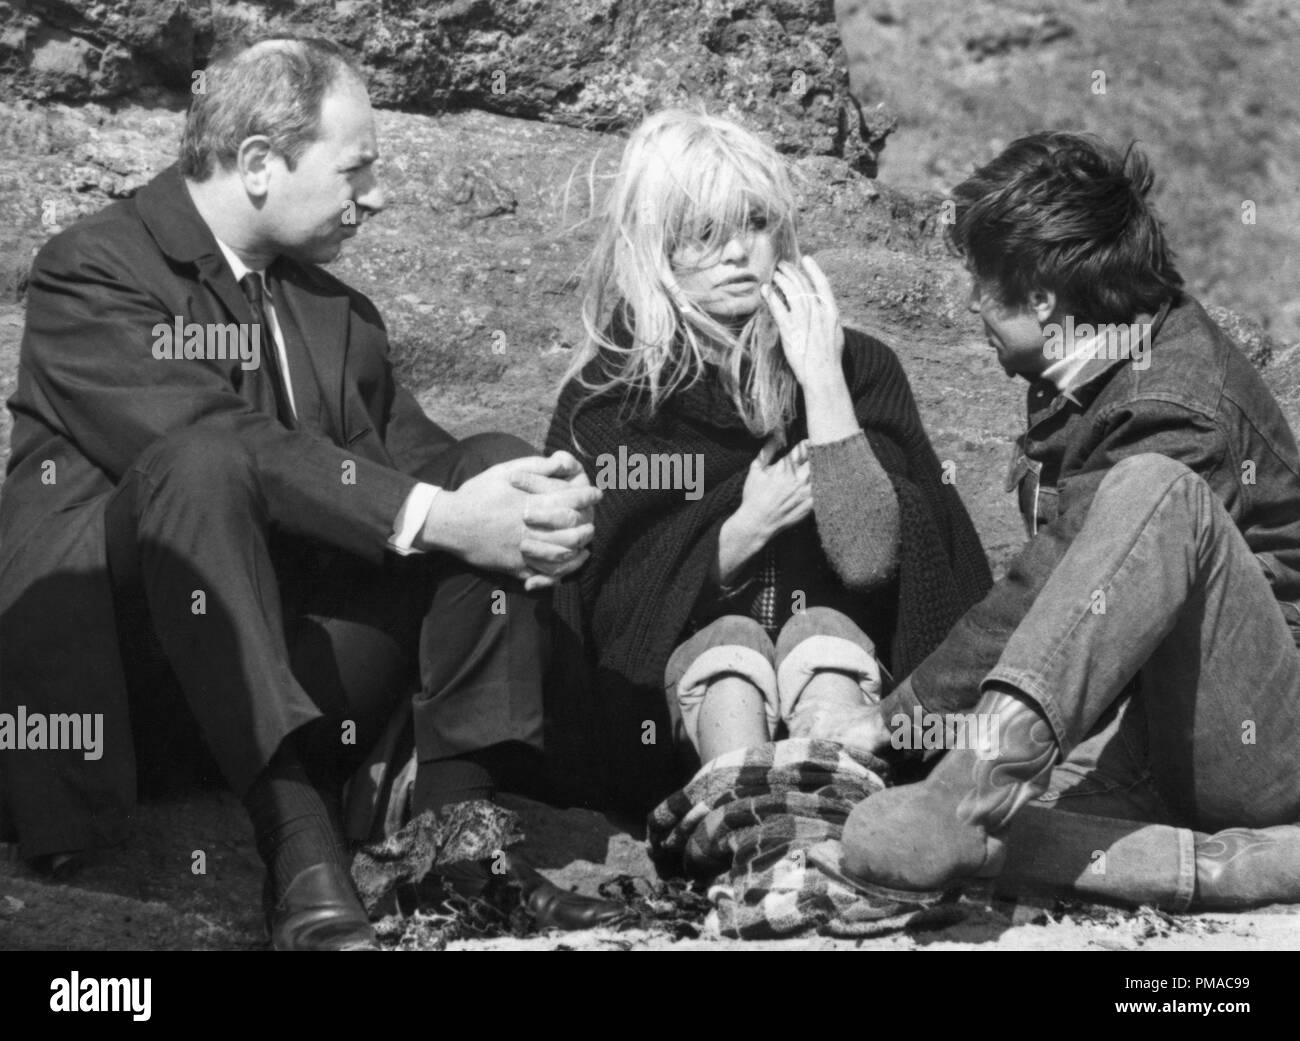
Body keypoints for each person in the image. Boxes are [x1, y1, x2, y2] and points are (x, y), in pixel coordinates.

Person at [0, 34, 623, 950]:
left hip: (293, 659)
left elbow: (428, 472)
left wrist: (538, 499)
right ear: (258, 163)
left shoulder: (335, 314)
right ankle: (300, 852)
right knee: (205, 465)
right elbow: (221, 448)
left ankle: (456, 840)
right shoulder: (92, 271)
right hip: (140, 684)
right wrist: (442, 517)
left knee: (488, 462)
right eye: (356, 169)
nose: (377, 197)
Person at [840, 132, 1300, 911]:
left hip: (1265, 742)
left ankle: (968, 802)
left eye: (980, 282)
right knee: (896, 838)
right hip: (1156, 741)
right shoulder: (1090, 359)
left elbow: (1048, 584)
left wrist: (896, 721)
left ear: (1044, 299)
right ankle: (1242, 868)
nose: (970, 303)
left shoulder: (1171, 404)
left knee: (1157, 491)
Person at [544, 109, 991, 810]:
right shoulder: (611, 403)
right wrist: (737, 534)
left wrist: (822, 380)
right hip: (681, 713)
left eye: (755, 224)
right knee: (729, 654)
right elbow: (601, 614)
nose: (737, 253)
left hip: (848, 690)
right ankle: (739, 805)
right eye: (702, 232)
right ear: (654, 245)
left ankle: (830, 796)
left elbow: (874, 557)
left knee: (826, 643)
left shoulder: (860, 369)